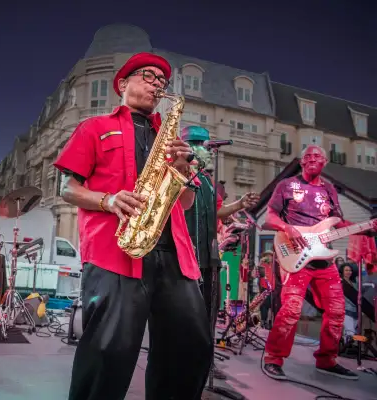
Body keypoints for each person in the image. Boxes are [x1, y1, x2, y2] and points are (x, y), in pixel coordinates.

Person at [54, 52, 212, 400]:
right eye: (148, 76)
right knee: (108, 351)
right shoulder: (93, 127)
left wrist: (183, 169)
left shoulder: (170, 141)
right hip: (116, 251)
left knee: (190, 348)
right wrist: (108, 200)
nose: (157, 83)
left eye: (161, 80)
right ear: (123, 84)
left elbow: (184, 203)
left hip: (173, 254)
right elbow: (66, 188)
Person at [262, 145, 377, 380]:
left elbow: (338, 222)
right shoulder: (287, 186)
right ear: (302, 161)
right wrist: (288, 228)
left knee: (337, 312)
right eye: (307, 156)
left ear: (325, 162)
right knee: (291, 310)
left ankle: (327, 360)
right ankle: (273, 358)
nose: (312, 159)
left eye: (317, 156)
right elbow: (270, 216)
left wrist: (366, 229)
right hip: (297, 258)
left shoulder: (329, 190)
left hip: (324, 261)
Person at [181, 125, 259, 379]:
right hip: (185, 256)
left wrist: (239, 204)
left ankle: (205, 364)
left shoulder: (206, 179)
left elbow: (217, 212)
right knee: (185, 316)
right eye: (200, 145)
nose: (206, 150)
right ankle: (183, 365)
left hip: (208, 256)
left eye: (206, 146)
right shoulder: (179, 174)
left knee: (209, 314)